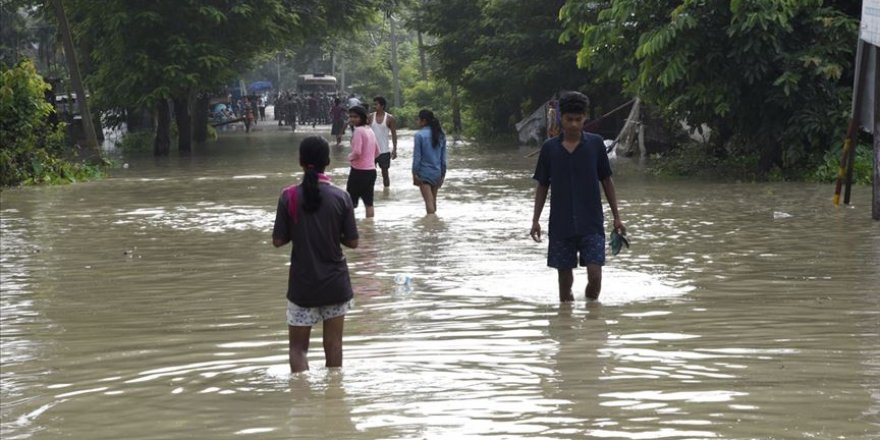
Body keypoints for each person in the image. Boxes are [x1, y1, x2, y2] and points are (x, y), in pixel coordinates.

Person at [272, 136, 359, 373]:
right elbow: (353, 241)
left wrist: (300, 230)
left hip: (303, 286)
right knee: (334, 347)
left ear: (300, 161)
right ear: (327, 162)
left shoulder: (288, 196)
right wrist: (331, 234)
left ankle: (301, 402)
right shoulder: (342, 197)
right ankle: (334, 402)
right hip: (335, 284)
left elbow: (278, 240)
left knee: (298, 349)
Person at [530, 91, 625, 302]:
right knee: (565, 287)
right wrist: (535, 220)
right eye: (569, 119)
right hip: (561, 226)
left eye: (578, 119)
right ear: (561, 119)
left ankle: (593, 320)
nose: (573, 124)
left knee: (595, 276)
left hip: (591, 224)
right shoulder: (549, 149)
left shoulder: (595, 145)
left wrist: (616, 216)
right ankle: (567, 327)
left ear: (585, 119)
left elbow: (607, 180)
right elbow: (542, 185)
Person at [346, 105, 380, 218]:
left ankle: (349, 229)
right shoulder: (369, 130)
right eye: (350, 116)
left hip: (358, 172)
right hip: (371, 171)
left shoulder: (358, 131)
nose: (352, 119)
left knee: (350, 203)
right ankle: (369, 230)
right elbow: (377, 152)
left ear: (362, 117)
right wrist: (369, 160)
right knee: (369, 203)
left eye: (355, 117)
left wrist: (349, 157)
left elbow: (357, 152)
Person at [412, 109, 447, 215]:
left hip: (424, 173)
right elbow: (443, 159)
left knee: (428, 202)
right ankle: (435, 227)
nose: (417, 122)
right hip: (437, 172)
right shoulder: (441, 135)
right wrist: (442, 175)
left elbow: (417, 157)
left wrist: (414, 173)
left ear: (424, 121)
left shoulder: (419, 135)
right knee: (433, 201)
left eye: (418, 119)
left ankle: (431, 227)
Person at [368, 96, 398, 187]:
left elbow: (394, 134)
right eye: (374, 104)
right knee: (369, 174)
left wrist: (395, 149)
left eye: (376, 104)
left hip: (384, 151)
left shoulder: (390, 118)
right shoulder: (370, 117)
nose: (374, 106)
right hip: (371, 151)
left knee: (385, 174)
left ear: (382, 106)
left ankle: (386, 193)